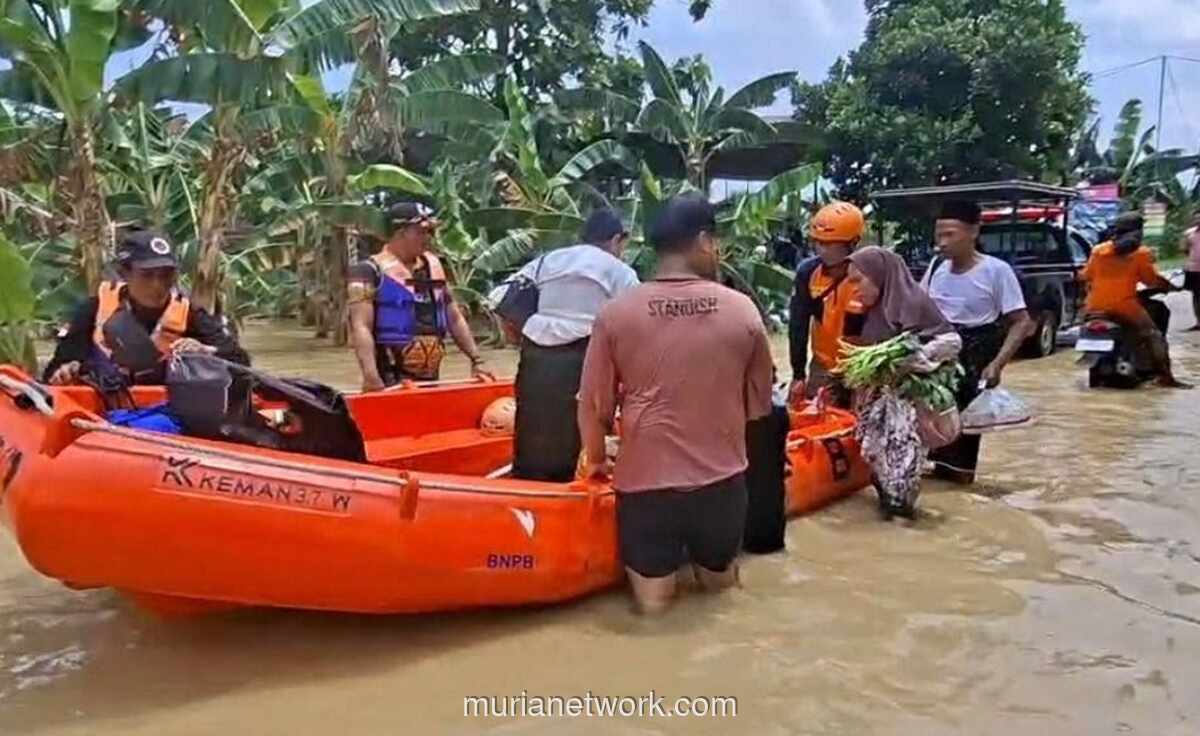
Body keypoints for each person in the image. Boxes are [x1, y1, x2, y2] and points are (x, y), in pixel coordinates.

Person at [577, 195, 774, 614]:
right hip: (722, 483)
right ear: (704, 241)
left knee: (653, 612)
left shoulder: (616, 313)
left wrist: (595, 459)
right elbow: (759, 408)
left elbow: (595, 406)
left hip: (645, 486)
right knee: (722, 597)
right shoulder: (743, 310)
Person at [497, 209, 640, 482]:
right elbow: (634, 324)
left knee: (532, 422)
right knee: (583, 428)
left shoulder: (548, 260)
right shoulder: (621, 271)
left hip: (537, 355)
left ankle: (528, 486)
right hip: (586, 354)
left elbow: (505, 301)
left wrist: (523, 336)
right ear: (617, 240)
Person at [43, 229, 249, 386]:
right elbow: (54, 369)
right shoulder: (93, 309)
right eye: (147, 275)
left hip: (163, 410)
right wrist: (67, 370)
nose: (157, 285)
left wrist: (206, 351)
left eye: (166, 275)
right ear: (125, 273)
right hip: (105, 406)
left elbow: (240, 362)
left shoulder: (191, 314)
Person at [921, 200, 1035, 484]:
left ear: (973, 232)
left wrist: (998, 364)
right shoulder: (936, 267)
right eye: (938, 236)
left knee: (964, 433)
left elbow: (1022, 322)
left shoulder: (996, 271)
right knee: (933, 425)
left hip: (974, 356)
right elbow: (919, 307)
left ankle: (959, 484)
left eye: (950, 235)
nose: (942, 243)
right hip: (938, 356)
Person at [846, 247, 962, 520]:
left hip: (910, 402)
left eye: (858, 281)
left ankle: (901, 524)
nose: (854, 290)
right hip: (880, 400)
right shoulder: (871, 312)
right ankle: (890, 515)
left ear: (880, 276)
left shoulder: (914, 303)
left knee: (902, 467)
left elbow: (951, 342)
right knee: (877, 459)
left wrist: (916, 357)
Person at [347, 202, 491, 392]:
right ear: (400, 233)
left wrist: (476, 359)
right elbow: (361, 326)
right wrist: (370, 375)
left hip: (431, 377)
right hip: (389, 377)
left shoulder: (433, 267)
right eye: (421, 232)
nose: (428, 238)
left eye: (429, 232)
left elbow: (453, 316)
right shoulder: (368, 271)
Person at [1080, 212, 1190, 389]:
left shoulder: (1098, 251)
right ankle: (1166, 378)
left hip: (1094, 306)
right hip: (1125, 306)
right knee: (1154, 335)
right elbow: (1151, 280)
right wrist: (1169, 286)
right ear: (1138, 231)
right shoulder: (1141, 253)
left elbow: (1086, 275)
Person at [789, 202, 869, 406]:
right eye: (818, 243)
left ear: (853, 242)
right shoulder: (808, 273)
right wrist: (798, 374)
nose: (822, 250)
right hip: (823, 366)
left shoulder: (871, 273)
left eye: (830, 244)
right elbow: (798, 325)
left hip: (862, 369)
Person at [1183, 213, 1200, 331]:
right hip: (1194, 269)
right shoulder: (1189, 233)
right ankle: (1198, 322)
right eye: (1196, 217)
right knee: (1196, 296)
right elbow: (1185, 249)